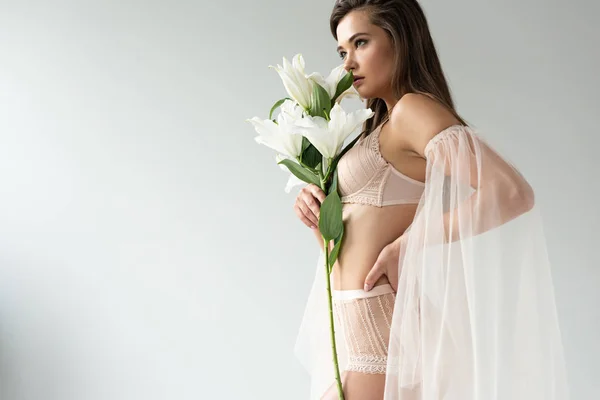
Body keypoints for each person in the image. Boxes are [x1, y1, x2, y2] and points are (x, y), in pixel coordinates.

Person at [292, 1, 570, 399]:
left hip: (381, 330)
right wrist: (319, 217)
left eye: (361, 43)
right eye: (342, 51)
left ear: (400, 39)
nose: (347, 64)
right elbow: (355, 243)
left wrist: (410, 244)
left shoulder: (412, 110)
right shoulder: (379, 125)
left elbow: (511, 193)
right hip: (353, 325)